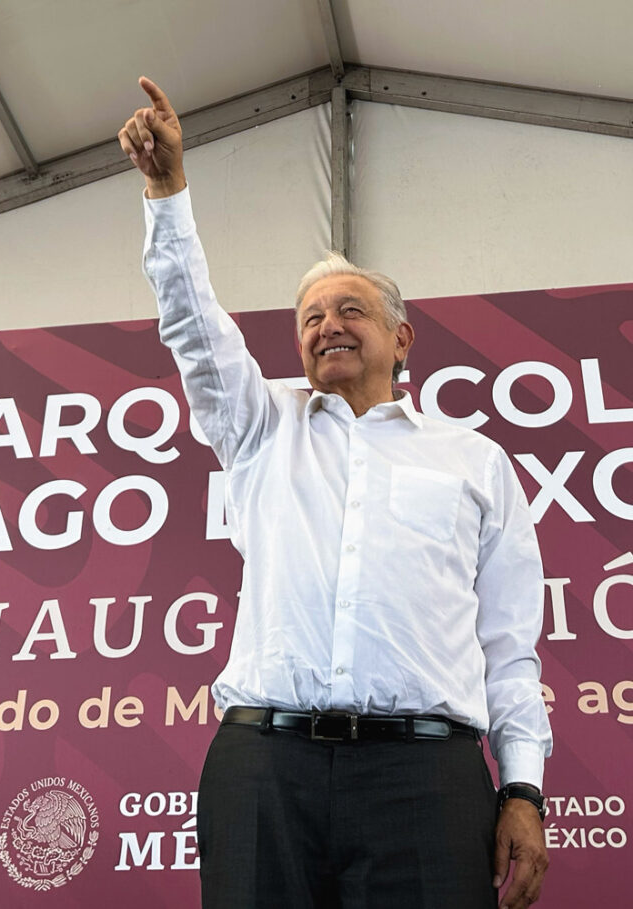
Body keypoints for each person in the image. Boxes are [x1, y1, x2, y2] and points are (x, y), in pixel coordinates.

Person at [119, 78, 551, 909]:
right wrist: (167, 192)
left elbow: (509, 643)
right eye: (310, 317)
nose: (327, 326)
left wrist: (524, 789)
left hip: (425, 773)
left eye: (350, 308)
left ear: (402, 337)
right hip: (263, 770)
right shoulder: (258, 428)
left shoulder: (475, 461)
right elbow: (192, 324)